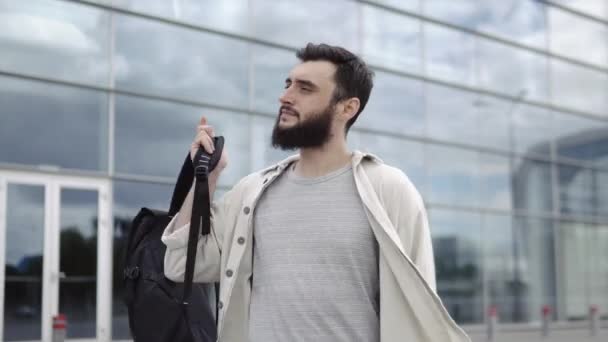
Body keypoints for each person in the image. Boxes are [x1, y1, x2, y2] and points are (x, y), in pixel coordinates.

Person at [162, 43, 470, 342]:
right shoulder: (252, 192)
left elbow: (418, 308)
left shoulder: (388, 189)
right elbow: (179, 265)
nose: (285, 96)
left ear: (347, 108)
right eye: (288, 84)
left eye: (304, 88)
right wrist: (207, 177)